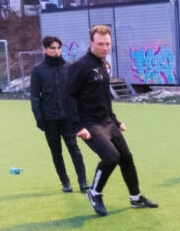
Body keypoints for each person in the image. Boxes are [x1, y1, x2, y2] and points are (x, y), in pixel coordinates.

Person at [66, 25, 157, 216]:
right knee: (111, 157)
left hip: (106, 120)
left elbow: (104, 97)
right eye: (100, 44)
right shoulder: (80, 67)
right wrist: (78, 126)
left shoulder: (103, 64)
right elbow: (69, 97)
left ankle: (135, 197)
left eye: (107, 44)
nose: (105, 47)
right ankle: (94, 192)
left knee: (126, 157)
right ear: (91, 43)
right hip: (89, 123)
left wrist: (115, 121)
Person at [30, 36, 89, 193]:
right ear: (44, 49)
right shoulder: (38, 70)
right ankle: (65, 182)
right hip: (49, 119)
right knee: (56, 152)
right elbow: (35, 96)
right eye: (52, 48)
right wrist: (38, 118)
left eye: (58, 48)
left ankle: (83, 181)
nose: (56, 51)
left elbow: (77, 93)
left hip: (68, 118)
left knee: (74, 149)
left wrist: (78, 116)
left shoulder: (69, 68)